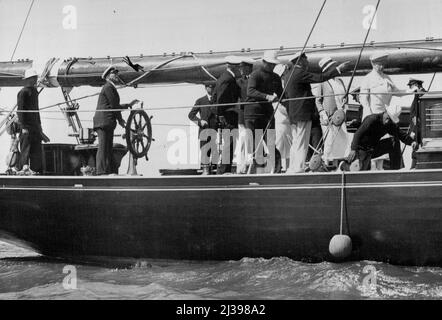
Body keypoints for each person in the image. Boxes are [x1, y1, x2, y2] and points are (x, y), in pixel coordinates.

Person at [284, 52, 350, 173]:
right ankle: (298, 168)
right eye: (305, 59)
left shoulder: (288, 75)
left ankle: (292, 167)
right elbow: (319, 78)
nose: (307, 62)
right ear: (299, 61)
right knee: (302, 141)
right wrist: (338, 69)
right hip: (302, 113)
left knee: (296, 141)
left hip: (293, 113)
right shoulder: (299, 72)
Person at [93, 66, 139, 175]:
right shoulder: (108, 87)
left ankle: (107, 171)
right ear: (109, 76)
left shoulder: (110, 87)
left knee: (107, 148)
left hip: (107, 122)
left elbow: (114, 105)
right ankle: (101, 172)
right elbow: (114, 106)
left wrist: (128, 105)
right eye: (114, 74)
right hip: (104, 122)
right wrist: (121, 120)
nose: (116, 76)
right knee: (104, 148)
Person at [245, 50, 283, 172]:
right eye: (270, 64)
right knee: (257, 145)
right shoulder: (255, 75)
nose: (272, 66)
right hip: (253, 113)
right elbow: (250, 91)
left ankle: (276, 170)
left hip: (267, 113)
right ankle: (259, 171)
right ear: (264, 62)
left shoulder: (276, 77)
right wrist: (267, 96)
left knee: (271, 142)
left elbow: (282, 95)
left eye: (274, 64)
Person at [346, 105, 414, 171]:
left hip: (373, 149)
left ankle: (395, 171)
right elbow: (358, 133)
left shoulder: (389, 125)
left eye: (390, 120)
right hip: (361, 149)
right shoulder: (372, 119)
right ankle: (344, 165)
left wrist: (412, 142)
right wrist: (353, 149)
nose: (387, 121)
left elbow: (401, 135)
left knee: (394, 141)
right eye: (387, 118)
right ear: (385, 112)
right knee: (358, 168)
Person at [313, 57, 351, 164]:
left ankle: (338, 164)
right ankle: (326, 164)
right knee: (329, 142)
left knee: (342, 143)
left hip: (340, 117)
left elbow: (344, 97)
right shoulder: (323, 82)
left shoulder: (340, 81)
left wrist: (345, 101)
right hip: (329, 118)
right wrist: (323, 115)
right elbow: (318, 101)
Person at [212, 55, 242, 174]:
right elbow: (219, 98)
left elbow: (215, 97)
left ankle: (225, 168)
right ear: (234, 67)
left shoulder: (225, 77)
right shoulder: (228, 79)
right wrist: (220, 114)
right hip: (228, 115)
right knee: (229, 142)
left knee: (229, 142)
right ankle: (224, 170)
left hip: (228, 114)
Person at [16, 69, 46, 174]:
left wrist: (40, 126)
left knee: (36, 147)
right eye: (34, 78)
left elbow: (36, 110)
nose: (35, 79)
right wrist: (23, 127)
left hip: (35, 126)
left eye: (36, 78)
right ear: (29, 79)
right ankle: (24, 167)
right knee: (25, 147)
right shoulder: (23, 92)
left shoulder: (34, 92)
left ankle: (35, 169)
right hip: (27, 126)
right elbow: (20, 110)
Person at [188, 83, 217, 175]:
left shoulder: (217, 100)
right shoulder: (200, 101)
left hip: (214, 129)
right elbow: (191, 115)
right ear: (206, 88)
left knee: (214, 149)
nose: (211, 89)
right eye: (209, 87)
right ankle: (205, 170)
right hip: (204, 130)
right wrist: (200, 122)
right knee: (204, 150)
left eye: (213, 87)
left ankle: (213, 170)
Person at [235, 57, 255, 173]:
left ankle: (253, 165)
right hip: (243, 115)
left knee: (255, 140)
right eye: (240, 67)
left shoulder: (256, 79)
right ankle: (241, 167)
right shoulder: (239, 82)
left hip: (254, 114)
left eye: (242, 67)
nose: (240, 69)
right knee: (243, 141)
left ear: (249, 67)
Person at [407, 77, 426, 168]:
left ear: (416, 85)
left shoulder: (421, 95)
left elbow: (417, 116)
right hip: (417, 128)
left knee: (416, 148)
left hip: (418, 129)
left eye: (411, 86)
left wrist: (413, 130)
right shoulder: (418, 95)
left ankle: (415, 168)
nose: (410, 88)